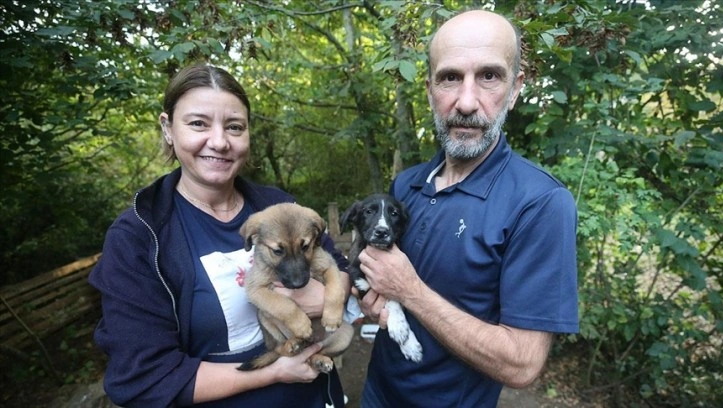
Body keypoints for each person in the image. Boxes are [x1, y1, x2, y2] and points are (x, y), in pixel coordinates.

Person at [89, 63, 351, 407]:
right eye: (198, 123)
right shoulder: (138, 237)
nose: (219, 141)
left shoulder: (278, 206)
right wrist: (273, 373)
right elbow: (143, 379)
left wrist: (332, 295)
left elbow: (339, 267)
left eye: (234, 126)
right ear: (168, 128)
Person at [355, 10, 579, 407]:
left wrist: (410, 291)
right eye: (450, 77)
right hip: (377, 393)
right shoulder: (405, 185)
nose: (467, 101)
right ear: (429, 90)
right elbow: (381, 288)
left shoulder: (540, 203)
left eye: (489, 76)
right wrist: (375, 301)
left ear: (514, 89)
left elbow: (521, 366)